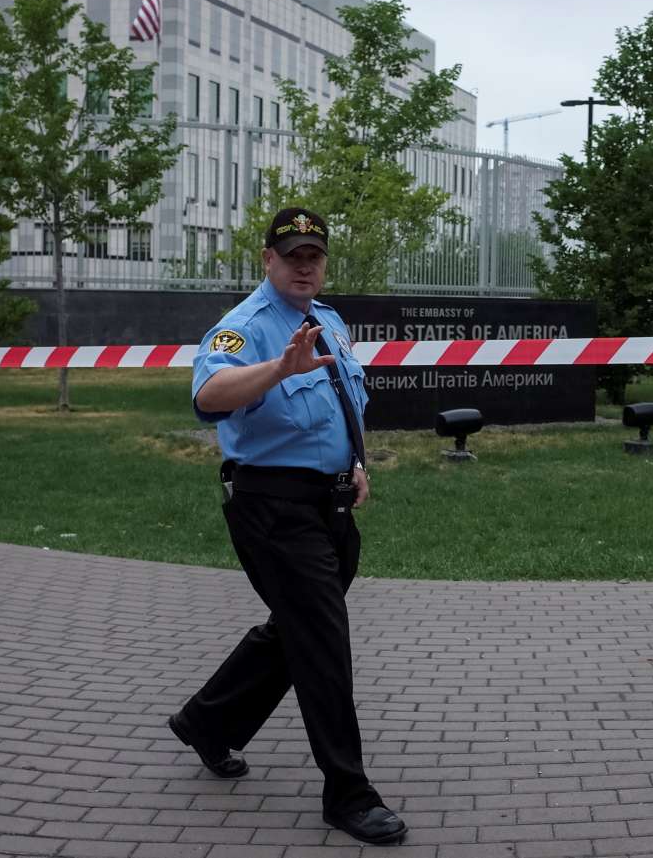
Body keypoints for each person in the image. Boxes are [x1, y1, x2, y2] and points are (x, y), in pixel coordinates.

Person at [167, 206, 406, 846]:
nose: (305, 265)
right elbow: (206, 398)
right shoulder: (242, 328)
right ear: (267, 259)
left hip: (330, 504)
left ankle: (208, 721)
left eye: (315, 256)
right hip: (273, 508)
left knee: (297, 630)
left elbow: (343, 402)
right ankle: (348, 794)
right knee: (323, 644)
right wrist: (277, 369)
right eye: (292, 255)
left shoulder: (328, 321)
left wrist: (358, 462)